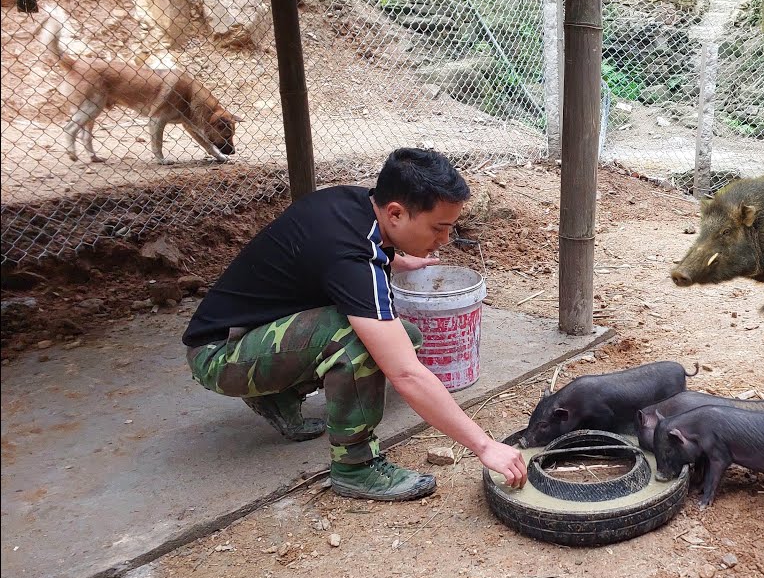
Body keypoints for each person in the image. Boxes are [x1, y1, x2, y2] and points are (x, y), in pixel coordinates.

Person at [182, 148, 528, 500]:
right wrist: (484, 446)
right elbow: (406, 374)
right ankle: (355, 467)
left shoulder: (352, 204)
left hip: (249, 334)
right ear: (395, 213)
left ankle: (277, 397)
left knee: (401, 336)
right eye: (438, 228)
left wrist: (395, 258)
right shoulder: (353, 258)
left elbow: (334, 256)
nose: (444, 240)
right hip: (221, 357)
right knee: (360, 343)